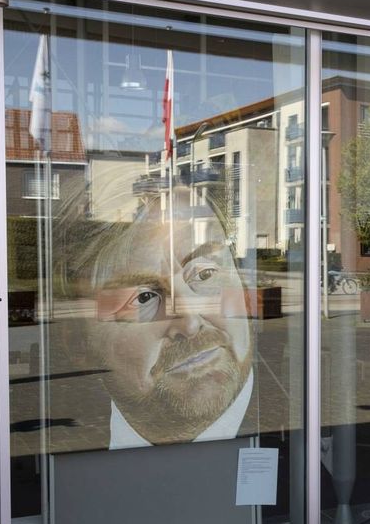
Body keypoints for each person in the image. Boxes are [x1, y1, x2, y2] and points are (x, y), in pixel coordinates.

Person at [59, 185, 257, 450]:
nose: (190, 323)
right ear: (77, 343)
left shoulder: (306, 444)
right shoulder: (46, 449)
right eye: (143, 298)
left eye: (206, 274)